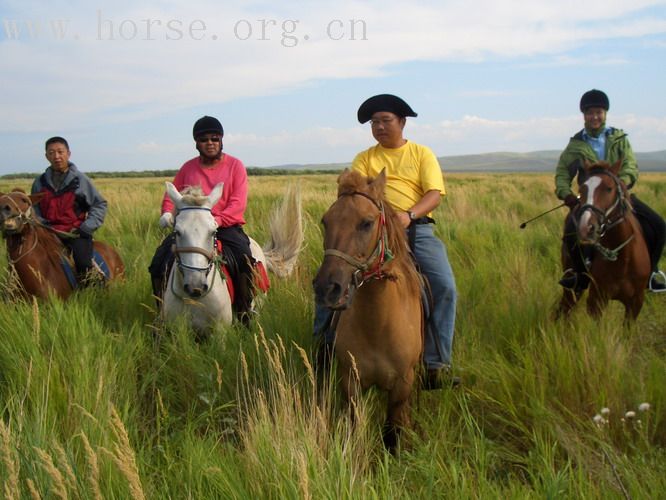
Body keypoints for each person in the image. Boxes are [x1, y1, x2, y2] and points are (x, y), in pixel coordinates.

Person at [314, 94, 459, 389]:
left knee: (444, 286)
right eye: (374, 122)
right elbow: (354, 191)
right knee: (332, 276)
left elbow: (434, 194)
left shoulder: (421, 154)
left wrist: (409, 214)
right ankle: (325, 348)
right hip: (370, 229)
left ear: (402, 122)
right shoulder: (365, 158)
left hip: (415, 228)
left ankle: (435, 364)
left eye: (386, 120)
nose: (379, 126)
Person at [555, 89, 666, 293]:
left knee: (658, 225)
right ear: (584, 116)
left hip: (618, 197)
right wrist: (567, 194)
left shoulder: (619, 138)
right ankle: (577, 275)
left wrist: (622, 183)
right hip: (589, 200)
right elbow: (562, 173)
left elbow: (631, 165)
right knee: (572, 231)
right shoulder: (575, 145)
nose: (595, 117)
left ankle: (652, 274)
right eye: (590, 113)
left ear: (605, 113)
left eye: (599, 112)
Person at [149, 115, 256, 324]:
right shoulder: (187, 168)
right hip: (190, 229)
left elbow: (237, 202)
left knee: (244, 258)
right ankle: (161, 313)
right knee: (158, 262)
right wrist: (167, 213)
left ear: (221, 140)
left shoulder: (235, 166)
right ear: (196, 143)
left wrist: (217, 219)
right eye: (204, 139)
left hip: (225, 226)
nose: (210, 143)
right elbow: (172, 197)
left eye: (215, 138)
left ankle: (244, 310)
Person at [31, 136, 107, 286]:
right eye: (52, 153)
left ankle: (91, 292)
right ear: (46, 156)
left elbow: (99, 204)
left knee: (83, 263)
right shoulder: (39, 182)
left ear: (68, 153)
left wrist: (87, 227)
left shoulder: (80, 180)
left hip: (75, 233)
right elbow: (34, 209)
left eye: (60, 152)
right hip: (46, 233)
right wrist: (40, 223)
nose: (56, 156)